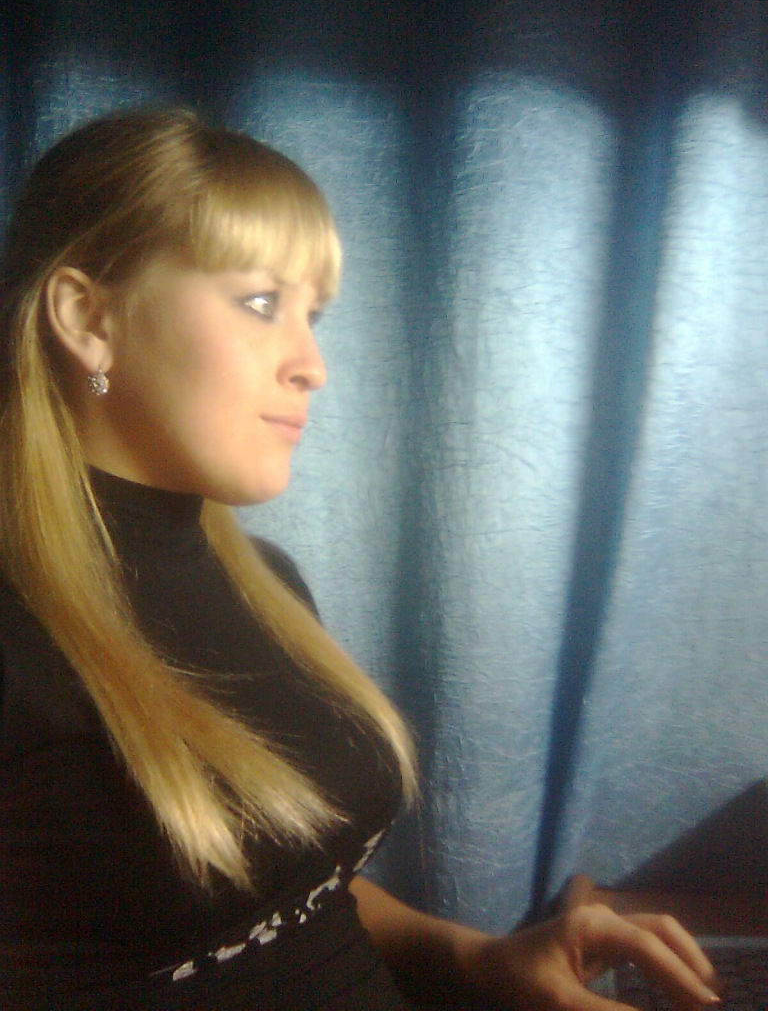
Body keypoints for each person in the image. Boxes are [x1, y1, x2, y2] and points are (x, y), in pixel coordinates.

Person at [0, 108, 720, 1010]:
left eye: (313, 315)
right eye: (260, 304)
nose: (313, 365)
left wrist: (479, 960)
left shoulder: (267, 585)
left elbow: (292, 894)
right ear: (88, 317)